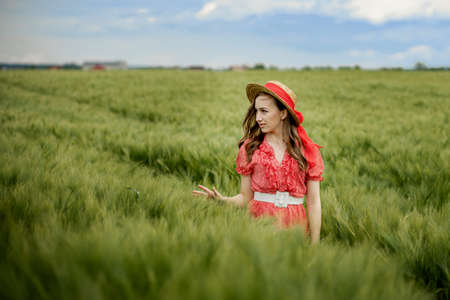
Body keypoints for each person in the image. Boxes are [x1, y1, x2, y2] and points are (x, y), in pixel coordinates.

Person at [192, 81, 324, 244]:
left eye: (264, 111)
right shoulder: (250, 148)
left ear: (283, 113)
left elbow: (313, 201)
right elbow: (246, 197)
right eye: (256, 111)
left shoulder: (308, 150)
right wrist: (223, 201)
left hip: (295, 227)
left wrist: (315, 242)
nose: (258, 118)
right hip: (260, 225)